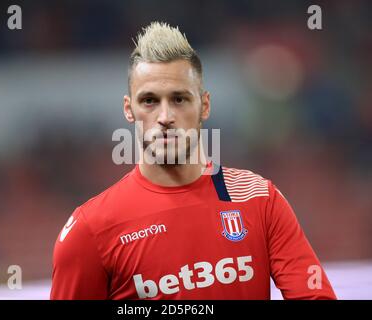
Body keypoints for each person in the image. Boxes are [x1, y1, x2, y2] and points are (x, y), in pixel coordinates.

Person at [50, 22, 336, 300]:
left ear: (204, 105)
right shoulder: (92, 228)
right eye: (149, 100)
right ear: (129, 109)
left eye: (179, 99)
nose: (165, 117)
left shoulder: (260, 199)